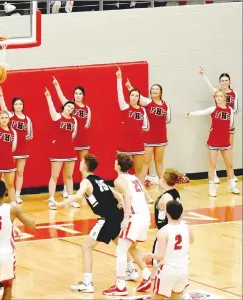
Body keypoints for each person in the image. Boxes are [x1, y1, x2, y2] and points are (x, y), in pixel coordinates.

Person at [52, 153, 124, 292]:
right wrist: (121, 202)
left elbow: (78, 196)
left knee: (86, 246)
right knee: (119, 244)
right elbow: (118, 195)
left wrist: (60, 204)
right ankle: (132, 269)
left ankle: (87, 283)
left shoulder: (86, 181)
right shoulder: (100, 179)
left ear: (84, 165)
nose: (79, 163)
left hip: (107, 217)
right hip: (116, 215)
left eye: (81, 162)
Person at [103, 154, 151, 296]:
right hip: (144, 215)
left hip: (134, 217)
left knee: (121, 250)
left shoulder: (119, 180)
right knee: (133, 247)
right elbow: (146, 195)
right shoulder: (134, 178)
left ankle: (120, 286)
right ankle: (147, 275)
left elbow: (129, 195)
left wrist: (126, 216)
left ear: (118, 165)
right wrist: (123, 202)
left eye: (115, 161)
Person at [187, 88, 240, 197]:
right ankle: (211, 188)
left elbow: (231, 125)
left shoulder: (230, 110)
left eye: (221, 96)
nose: (218, 98)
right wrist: (191, 113)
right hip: (214, 140)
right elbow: (202, 112)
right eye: (217, 96)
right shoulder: (213, 109)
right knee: (212, 164)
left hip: (225, 140)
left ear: (225, 98)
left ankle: (232, 186)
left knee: (229, 164)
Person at [115, 67, 152, 204]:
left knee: (140, 171)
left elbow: (146, 126)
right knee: (124, 172)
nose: (134, 97)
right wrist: (119, 78)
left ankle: (140, 194)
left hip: (138, 145)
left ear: (139, 97)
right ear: (129, 96)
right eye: (132, 95)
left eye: (136, 96)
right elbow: (119, 93)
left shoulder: (142, 110)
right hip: (125, 145)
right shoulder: (125, 107)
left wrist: (137, 129)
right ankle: (122, 196)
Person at [144, 201, 194, 299]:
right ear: (182, 212)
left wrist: (150, 255)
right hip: (183, 270)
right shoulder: (188, 228)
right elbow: (191, 241)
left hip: (168, 270)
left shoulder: (163, 231)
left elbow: (160, 256)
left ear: (167, 213)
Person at [125, 79, 171, 186]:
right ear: (150, 92)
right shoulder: (148, 102)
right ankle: (141, 183)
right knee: (146, 162)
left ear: (160, 92)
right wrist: (129, 87)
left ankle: (162, 182)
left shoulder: (166, 105)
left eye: (157, 89)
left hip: (161, 137)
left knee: (159, 161)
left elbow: (167, 119)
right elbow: (137, 96)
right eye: (153, 89)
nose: (154, 90)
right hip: (148, 137)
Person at [52, 76, 91, 199]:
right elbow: (61, 96)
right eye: (76, 93)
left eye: (80, 93)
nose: (78, 95)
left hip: (83, 139)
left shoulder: (87, 108)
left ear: (83, 95)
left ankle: (84, 189)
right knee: (67, 165)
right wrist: (56, 85)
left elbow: (87, 124)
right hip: (70, 140)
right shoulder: (69, 106)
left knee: (84, 165)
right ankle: (66, 189)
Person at [199, 67, 239, 183]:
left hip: (229, 126)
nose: (224, 82)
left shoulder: (233, 93)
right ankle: (214, 174)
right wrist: (203, 75)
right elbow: (209, 85)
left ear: (229, 82)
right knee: (214, 152)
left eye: (226, 80)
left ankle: (230, 175)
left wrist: (226, 112)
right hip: (218, 127)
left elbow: (235, 109)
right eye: (222, 81)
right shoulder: (217, 92)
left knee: (228, 149)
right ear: (220, 82)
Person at [44, 87, 80, 209]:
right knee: (54, 176)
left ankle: (71, 199)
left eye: (72, 108)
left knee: (69, 176)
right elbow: (51, 108)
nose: (70, 108)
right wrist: (48, 97)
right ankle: (51, 200)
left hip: (69, 150)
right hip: (57, 151)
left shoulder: (74, 120)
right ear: (64, 106)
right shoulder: (57, 116)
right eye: (68, 106)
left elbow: (74, 134)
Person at [0, 87, 33, 204]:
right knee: (4, 173)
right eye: (16, 104)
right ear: (13, 106)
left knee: (20, 172)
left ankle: (17, 195)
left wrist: (21, 140)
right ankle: (1, 195)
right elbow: (3, 108)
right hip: (10, 149)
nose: (18, 106)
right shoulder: (10, 116)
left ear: (23, 106)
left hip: (22, 149)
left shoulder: (27, 119)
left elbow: (29, 135)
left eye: (20, 104)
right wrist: (1, 96)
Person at [147, 169, 181, 290]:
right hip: (171, 230)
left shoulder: (166, 196)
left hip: (165, 231)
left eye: (161, 178)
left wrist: (170, 226)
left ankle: (154, 286)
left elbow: (171, 211)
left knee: (157, 260)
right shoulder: (175, 192)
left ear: (164, 181)